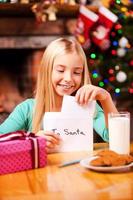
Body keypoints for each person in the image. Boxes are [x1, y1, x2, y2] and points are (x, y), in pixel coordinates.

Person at [0, 37, 118, 153]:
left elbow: (114, 138)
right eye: (61, 70)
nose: (68, 79)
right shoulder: (27, 109)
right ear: (47, 71)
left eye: (76, 72)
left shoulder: (87, 106)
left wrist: (106, 98)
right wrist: (32, 140)